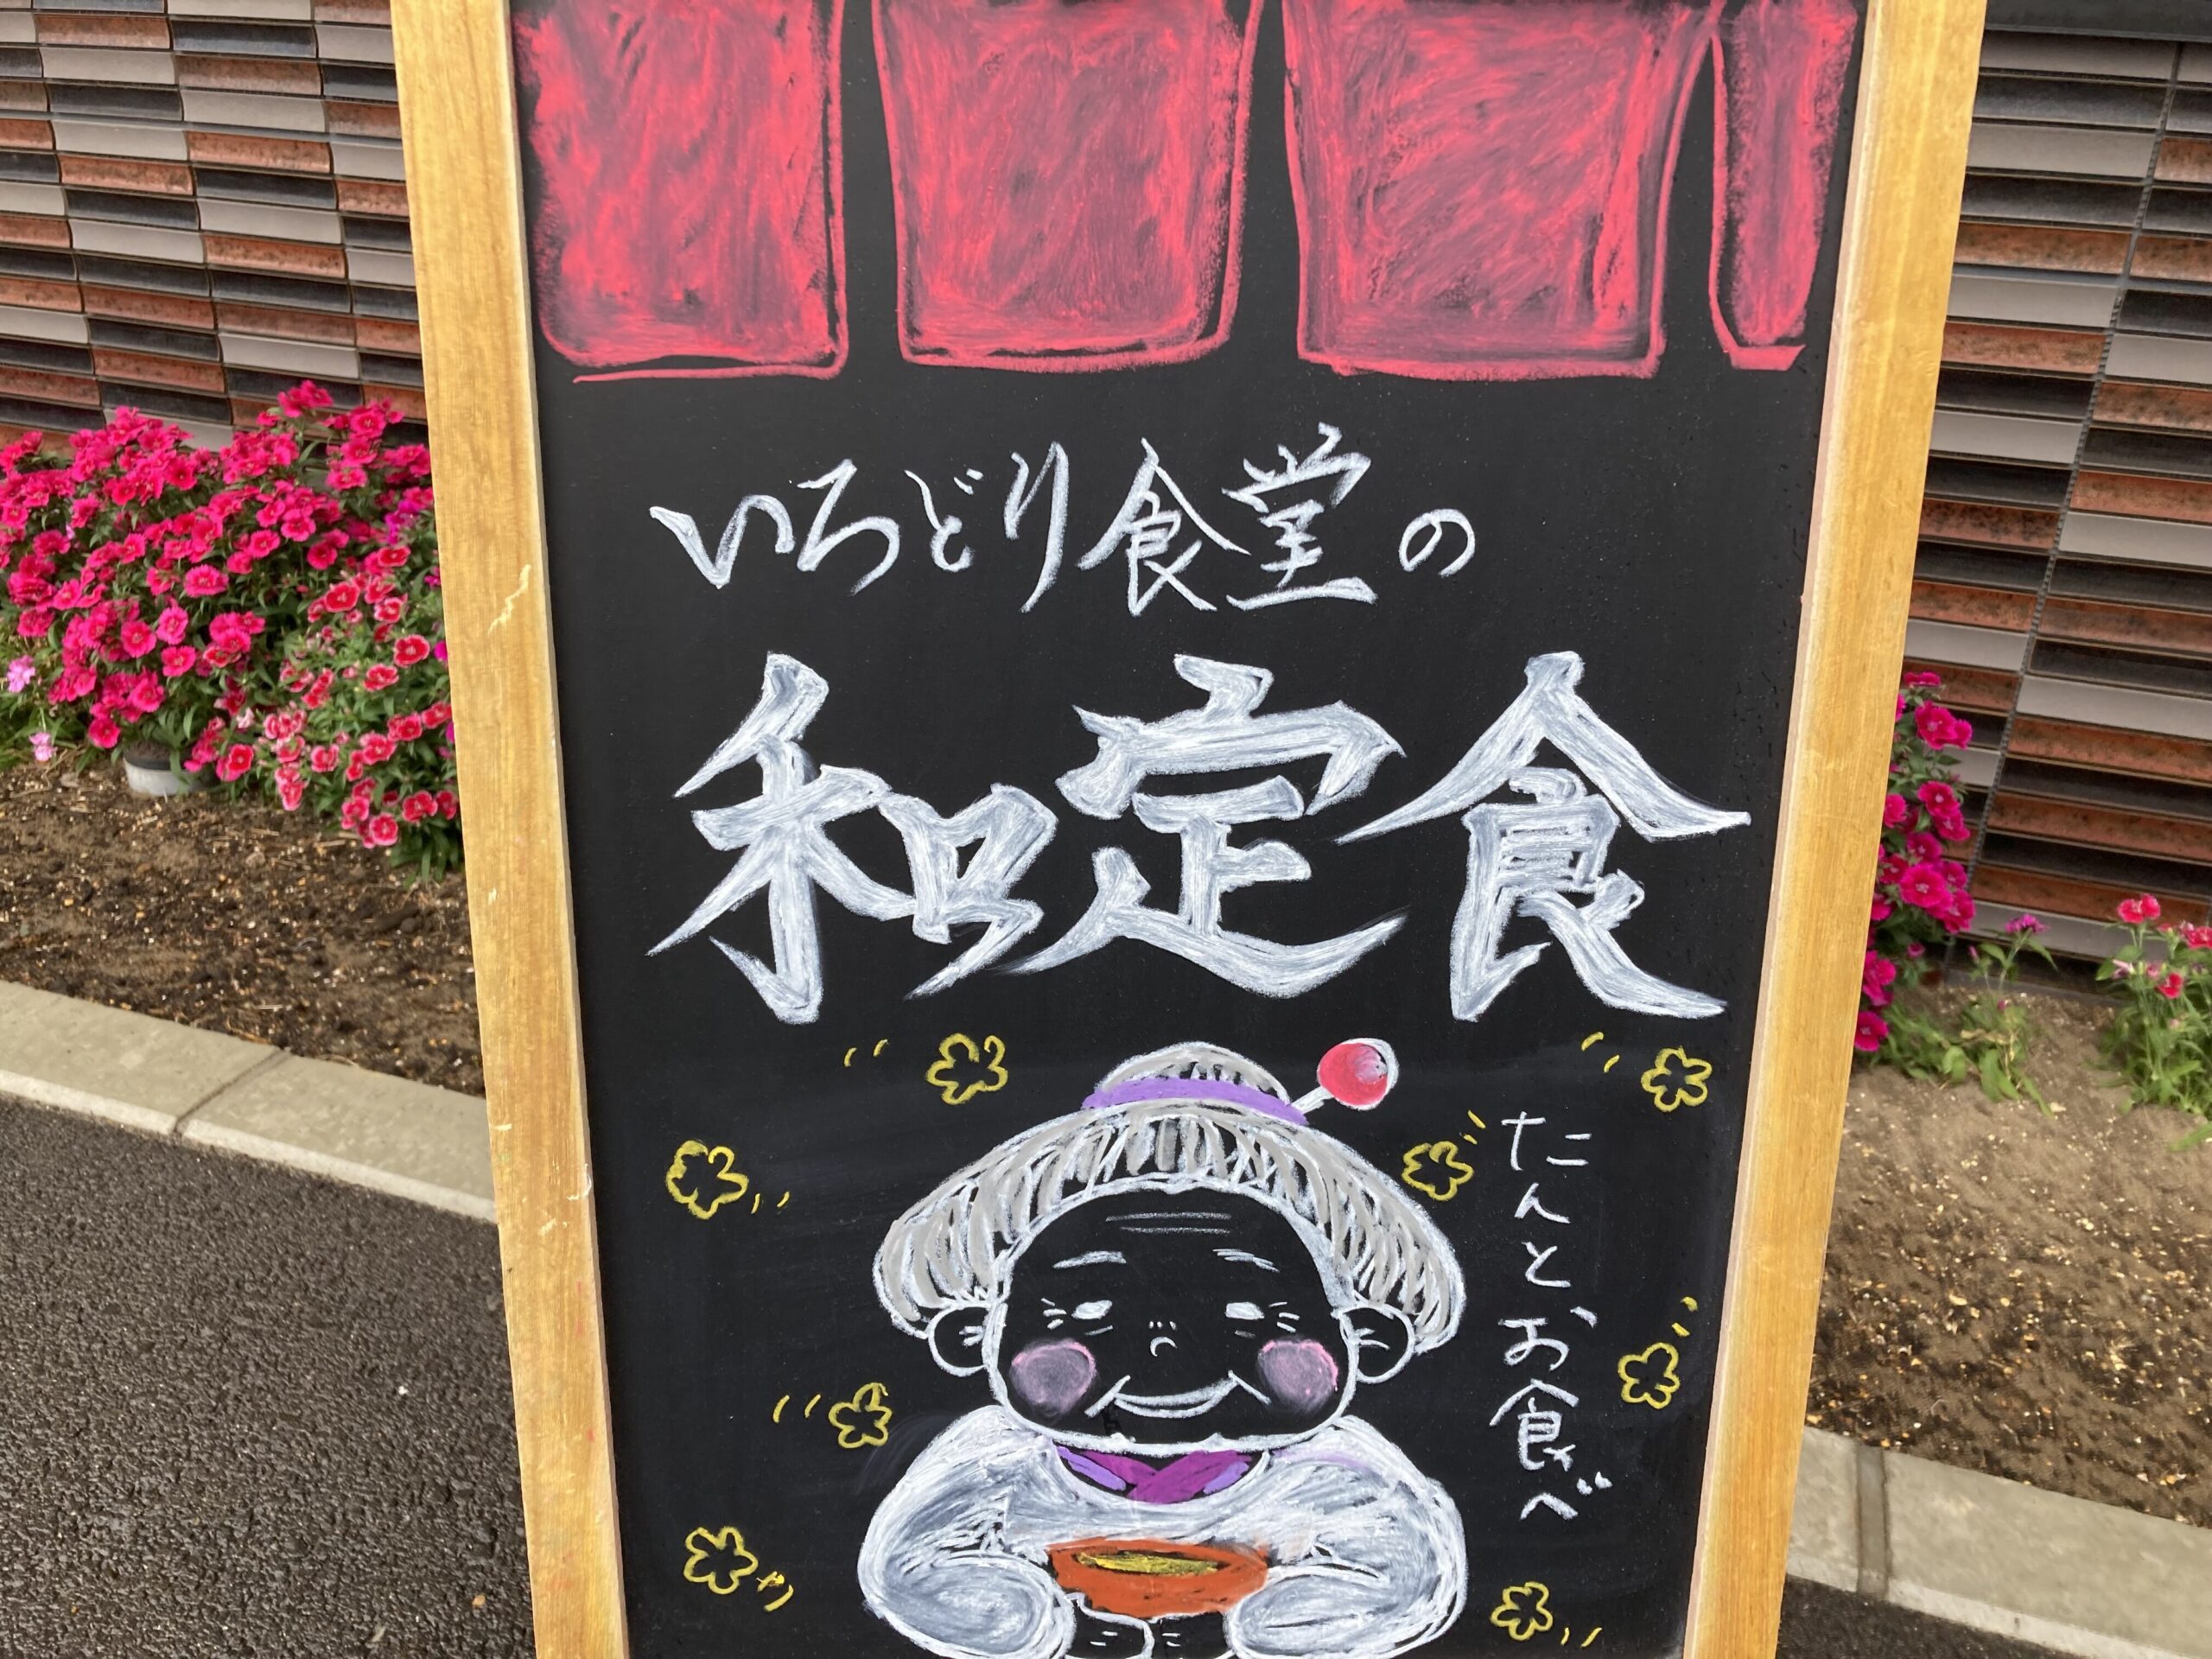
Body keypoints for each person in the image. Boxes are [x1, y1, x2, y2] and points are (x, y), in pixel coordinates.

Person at [861, 1039, 1467, 1659]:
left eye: (1245, 1312)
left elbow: (1409, 1586)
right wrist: (1049, 1626)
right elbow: (906, 1572)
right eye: (1090, 1311)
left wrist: (1248, 1630)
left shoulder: (1336, 1475)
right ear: (976, 1337)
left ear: (1367, 1342)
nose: (1167, 1347)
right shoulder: (994, 1464)